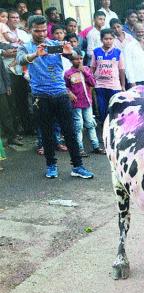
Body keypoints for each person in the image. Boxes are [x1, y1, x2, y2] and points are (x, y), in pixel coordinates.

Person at [17, 15, 94, 179]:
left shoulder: (55, 44)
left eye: (44, 30)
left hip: (60, 94)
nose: (41, 33)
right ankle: (51, 166)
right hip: (40, 96)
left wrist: (70, 51)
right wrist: (35, 54)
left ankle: (78, 166)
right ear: (30, 30)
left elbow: (74, 57)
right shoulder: (25, 47)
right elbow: (21, 60)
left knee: (70, 132)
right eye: (37, 31)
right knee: (47, 133)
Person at [65, 49, 105, 157]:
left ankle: (95, 146)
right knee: (78, 126)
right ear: (71, 60)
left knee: (91, 124)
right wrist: (69, 93)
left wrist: (85, 72)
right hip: (76, 103)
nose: (79, 61)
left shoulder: (86, 69)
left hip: (87, 102)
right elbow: (65, 86)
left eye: (81, 58)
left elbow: (93, 82)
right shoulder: (68, 73)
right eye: (76, 59)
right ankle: (80, 148)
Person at [91, 29, 125, 123]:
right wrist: (91, 83)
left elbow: (121, 69)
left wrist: (122, 85)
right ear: (101, 39)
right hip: (100, 85)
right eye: (106, 39)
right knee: (102, 110)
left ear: (113, 39)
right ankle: (103, 130)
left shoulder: (118, 52)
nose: (108, 41)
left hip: (114, 85)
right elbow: (92, 68)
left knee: (114, 109)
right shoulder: (96, 52)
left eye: (110, 38)